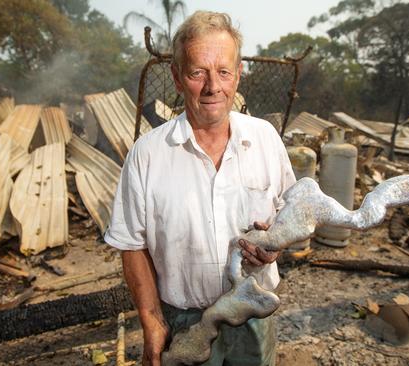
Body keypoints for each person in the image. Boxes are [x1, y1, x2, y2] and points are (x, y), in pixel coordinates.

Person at [105, 10, 296, 366]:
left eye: (223, 72)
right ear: (177, 79)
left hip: (254, 314)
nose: (213, 87)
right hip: (184, 321)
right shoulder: (147, 154)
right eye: (198, 73)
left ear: (238, 75)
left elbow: (290, 216)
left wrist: (275, 246)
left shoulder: (266, 139)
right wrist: (151, 321)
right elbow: (131, 245)